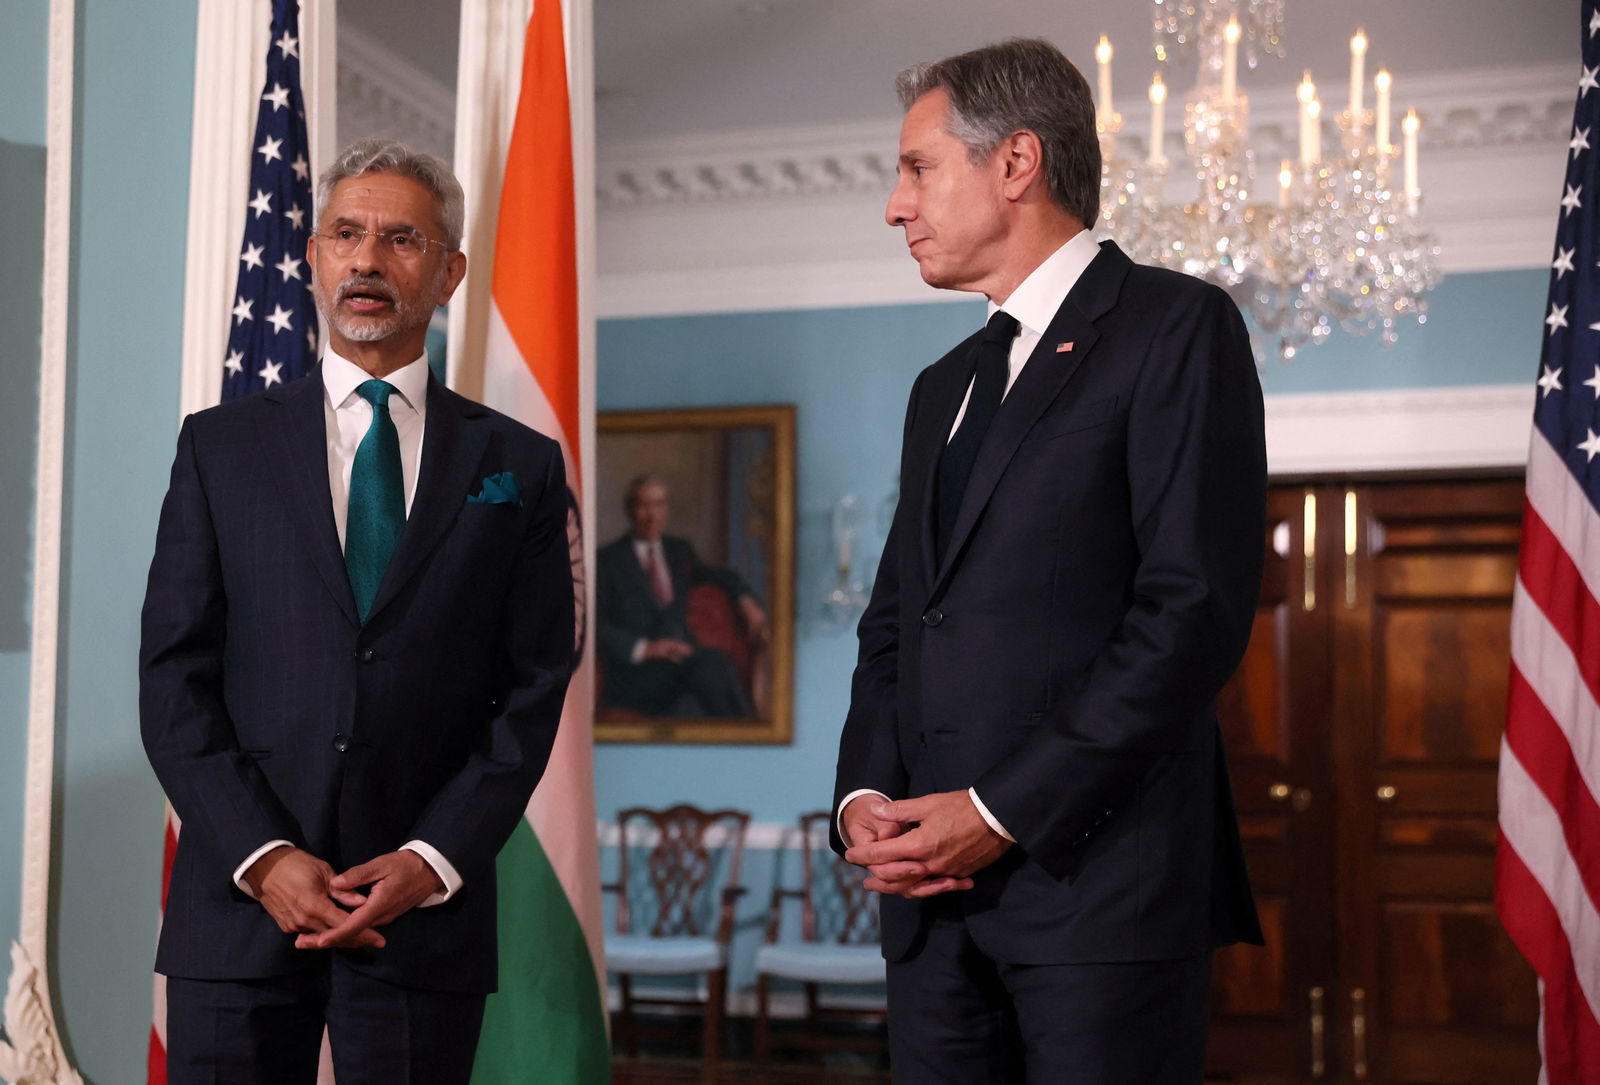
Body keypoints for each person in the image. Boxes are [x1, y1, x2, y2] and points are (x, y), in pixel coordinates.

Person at [832, 39, 1267, 1083]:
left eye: (918, 168)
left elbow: (1188, 614)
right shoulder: (941, 386)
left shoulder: (1175, 327)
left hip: (1099, 897)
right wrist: (863, 799)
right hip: (928, 912)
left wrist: (998, 812)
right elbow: (898, 620)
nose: (895, 206)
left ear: (1016, 162)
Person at [139, 139, 575, 1085]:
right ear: (313, 255)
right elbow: (175, 678)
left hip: (420, 917)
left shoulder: (522, 465)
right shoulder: (219, 448)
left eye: (402, 239)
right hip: (239, 907)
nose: (368, 260)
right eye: (346, 234)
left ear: (449, 272)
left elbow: (534, 687)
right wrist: (263, 855)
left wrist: (431, 857)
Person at [595, 474, 766, 716]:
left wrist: (745, 600)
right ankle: (751, 733)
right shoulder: (607, 561)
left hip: (680, 670)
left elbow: (720, 576)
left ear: (667, 509)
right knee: (714, 663)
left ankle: (746, 733)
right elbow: (594, 625)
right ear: (630, 510)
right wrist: (648, 648)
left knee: (690, 708)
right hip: (636, 676)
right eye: (644, 506)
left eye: (659, 504)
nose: (653, 515)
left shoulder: (678, 551)